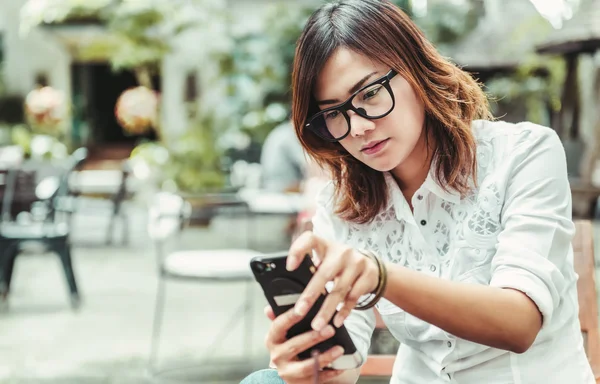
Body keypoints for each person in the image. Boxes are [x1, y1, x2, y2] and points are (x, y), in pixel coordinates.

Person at [241, 0, 595, 383]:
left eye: (370, 94)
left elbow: (519, 323)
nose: (357, 128)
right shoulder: (343, 204)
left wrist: (381, 277)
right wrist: (308, 366)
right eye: (334, 112)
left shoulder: (524, 154)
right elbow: (344, 367)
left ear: (416, 71)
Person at [260, 120, 308, 193]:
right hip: (286, 187)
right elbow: (307, 162)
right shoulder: (290, 133)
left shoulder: (280, 131)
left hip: (271, 186)